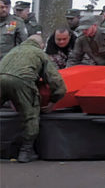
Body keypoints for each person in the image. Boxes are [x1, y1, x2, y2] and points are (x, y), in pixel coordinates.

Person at [0, 34, 65, 162]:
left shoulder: (13, 50)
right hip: (22, 81)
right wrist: (54, 99)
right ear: (41, 46)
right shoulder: (40, 54)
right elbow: (56, 81)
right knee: (30, 115)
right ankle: (26, 151)